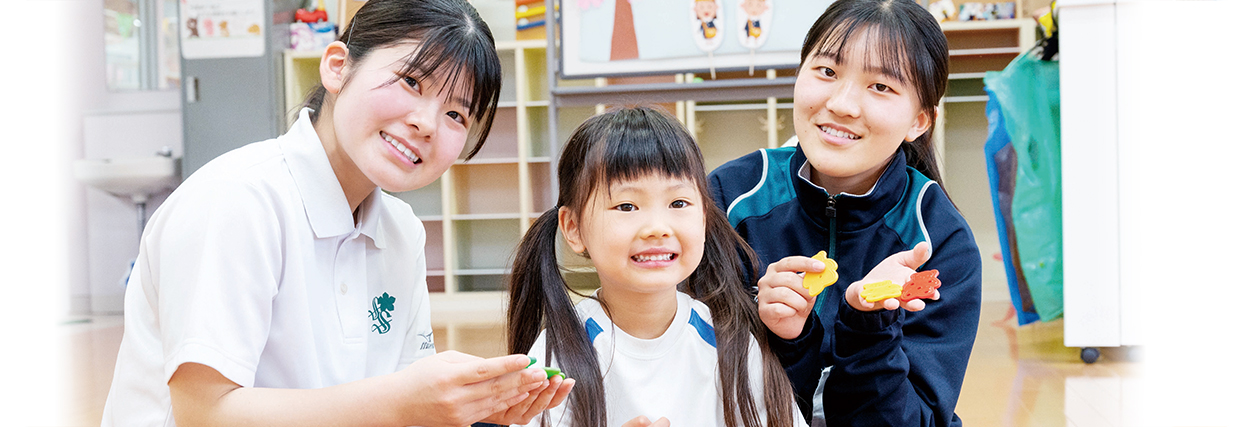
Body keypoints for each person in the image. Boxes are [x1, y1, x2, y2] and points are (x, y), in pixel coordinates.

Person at [100, 1, 572, 425]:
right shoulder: (236, 200)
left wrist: (465, 407)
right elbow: (204, 412)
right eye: (411, 81)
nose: (426, 123)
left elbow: (398, 393)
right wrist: (403, 403)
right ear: (338, 67)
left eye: (456, 115)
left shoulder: (401, 231)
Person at [708, 0, 981, 425]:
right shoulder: (730, 198)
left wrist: (869, 326)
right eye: (827, 71)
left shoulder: (939, 241)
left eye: (881, 87)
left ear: (919, 121)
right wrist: (786, 337)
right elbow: (697, 379)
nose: (842, 104)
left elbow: (914, 420)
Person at [505, 107, 806, 427]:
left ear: (704, 217)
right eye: (626, 206)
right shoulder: (558, 354)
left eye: (678, 203)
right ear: (573, 227)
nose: (657, 228)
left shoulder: (732, 343)